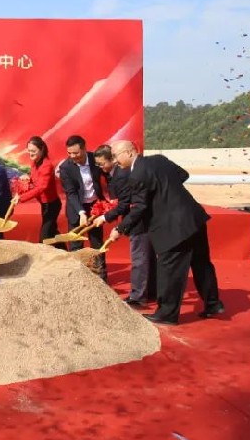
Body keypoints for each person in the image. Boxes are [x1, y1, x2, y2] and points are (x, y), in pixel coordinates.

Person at [109, 140, 225, 325]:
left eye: (116, 156)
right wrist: (168, 191)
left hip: (173, 227)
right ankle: (213, 303)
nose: (114, 161)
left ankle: (167, 314)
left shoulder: (137, 175)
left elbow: (139, 207)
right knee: (201, 263)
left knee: (169, 269)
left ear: (130, 152)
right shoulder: (159, 160)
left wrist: (120, 228)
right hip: (194, 218)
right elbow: (183, 175)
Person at [92, 144, 156, 307]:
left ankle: (138, 296)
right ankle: (151, 291)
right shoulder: (114, 174)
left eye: (102, 163)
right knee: (146, 257)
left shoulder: (122, 175)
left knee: (139, 258)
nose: (100, 167)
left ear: (112, 159)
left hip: (138, 221)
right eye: (97, 164)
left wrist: (106, 218)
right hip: (136, 218)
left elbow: (125, 204)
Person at [58, 134, 109, 281]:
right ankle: (78, 279)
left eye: (76, 153)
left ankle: (101, 279)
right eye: (69, 153)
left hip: (95, 206)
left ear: (84, 149)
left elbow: (108, 176)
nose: (73, 156)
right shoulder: (65, 167)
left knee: (97, 243)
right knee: (75, 245)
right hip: (76, 209)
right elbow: (71, 193)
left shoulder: (95, 160)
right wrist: (81, 212)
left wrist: (109, 199)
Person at [17, 136, 61, 243]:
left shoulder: (47, 165)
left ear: (42, 150)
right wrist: (27, 179)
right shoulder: (34, 162)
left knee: (44, 237)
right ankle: (62, 249)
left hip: (51, 205)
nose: (30, 154)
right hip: (44, 204)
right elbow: (36, 179)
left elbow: (42, 186)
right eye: (29, 151)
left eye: (33, 151)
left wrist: (22, 198)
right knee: (52, 232)